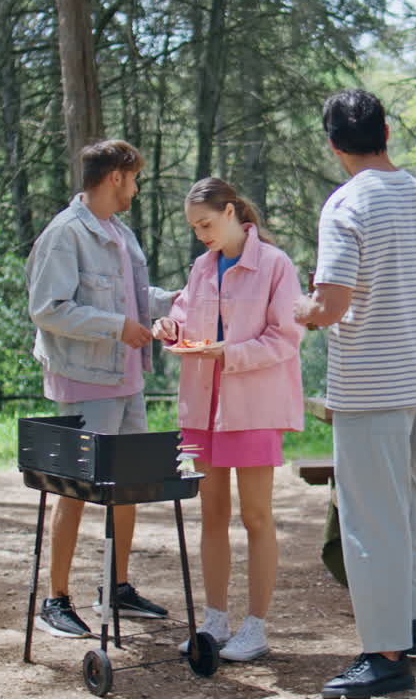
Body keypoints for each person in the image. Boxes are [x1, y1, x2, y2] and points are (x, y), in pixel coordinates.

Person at [294, 89, 416, 698]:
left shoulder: (346, 205)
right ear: (388, 131)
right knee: (405, 508)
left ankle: (385, 655)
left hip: (370, 384)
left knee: (371, 521)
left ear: (335, 145)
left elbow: (332, 303)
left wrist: (300, 309)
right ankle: (411, 623)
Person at [26, 139, 176, 638]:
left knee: (127, 485)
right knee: (75, 490)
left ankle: (116, 587)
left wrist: (173, 301)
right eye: (134, 178)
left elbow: (133, 299)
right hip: (85, 383)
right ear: (116, 176)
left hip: (126, 379)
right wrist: (116, 326)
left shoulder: (119, 232)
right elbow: (49, 308)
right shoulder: (64, 235)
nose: (136, 187)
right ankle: (56, 599)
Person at [152, 177, 305, 662]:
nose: (200, 233)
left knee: (256, 516)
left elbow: (287, 338)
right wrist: (169, 325)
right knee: (211, 514)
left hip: (253, 410)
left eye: (206, 223)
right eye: (194, 227)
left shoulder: (276, 265)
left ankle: (255, 627)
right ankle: (215, 619)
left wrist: (230, 354)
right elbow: (183, 315)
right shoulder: (202, 267)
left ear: (232, 211)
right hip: (201, 410)